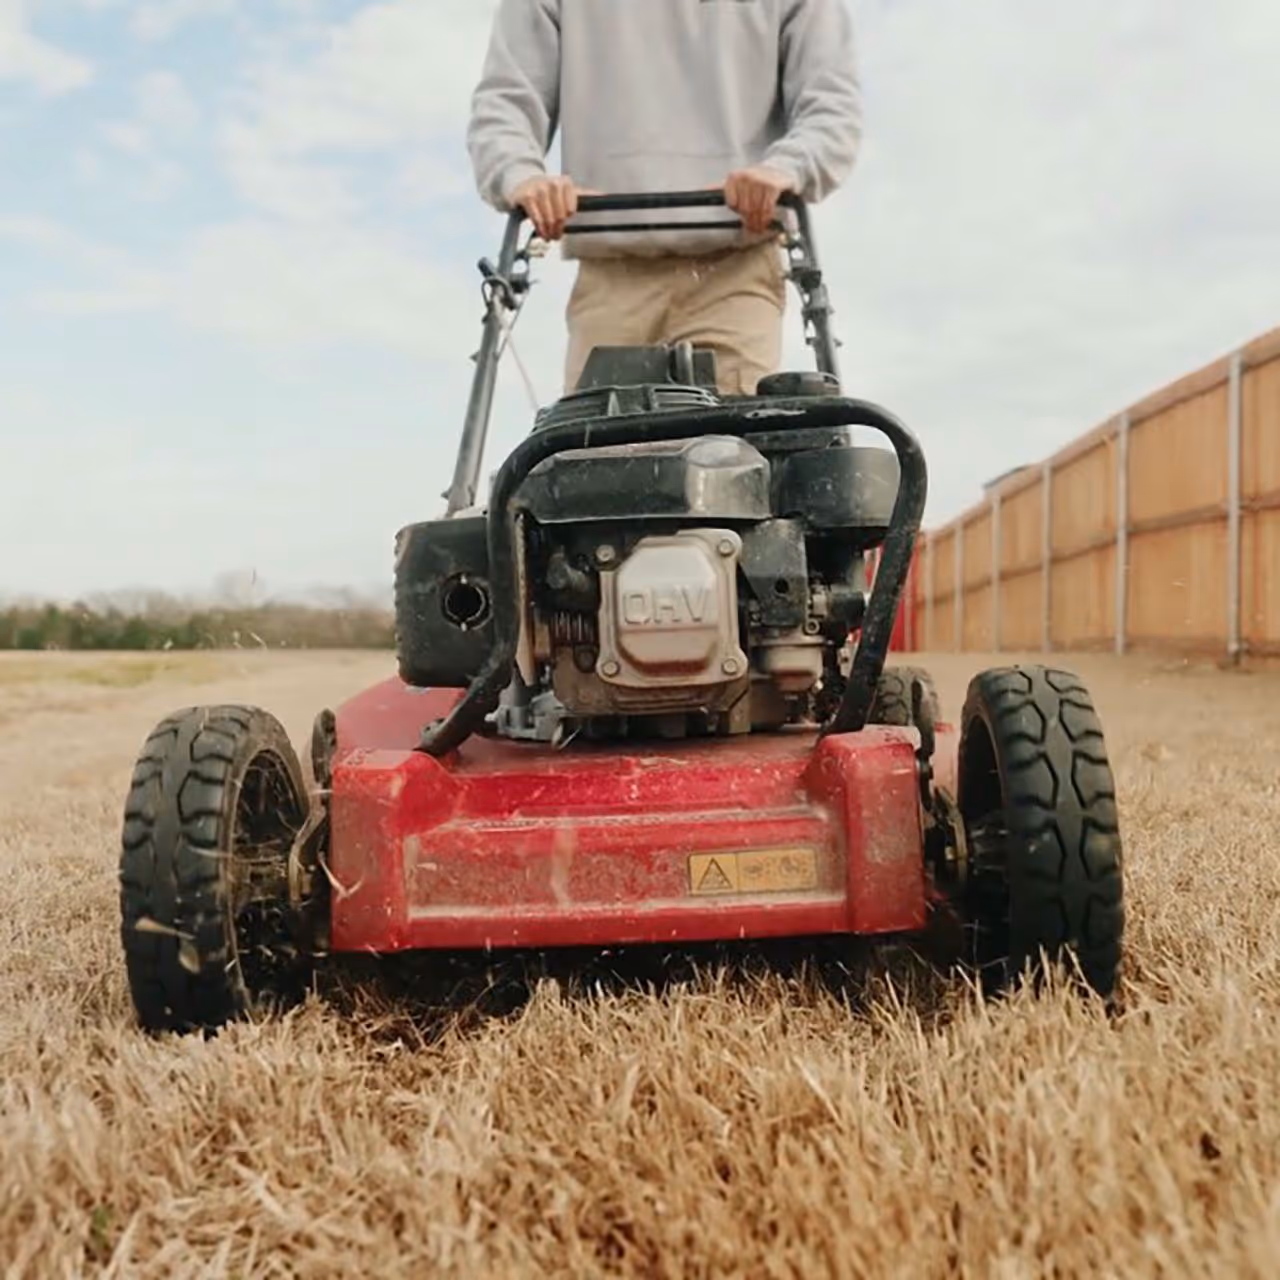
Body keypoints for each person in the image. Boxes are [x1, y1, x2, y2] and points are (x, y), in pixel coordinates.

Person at [466, 0, 862, 396]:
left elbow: (831, 110)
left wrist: (785, 169)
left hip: (733, 272)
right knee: (593, 449)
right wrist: (521, 175)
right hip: (609, 278)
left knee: (728, 449)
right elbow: (506, 104)